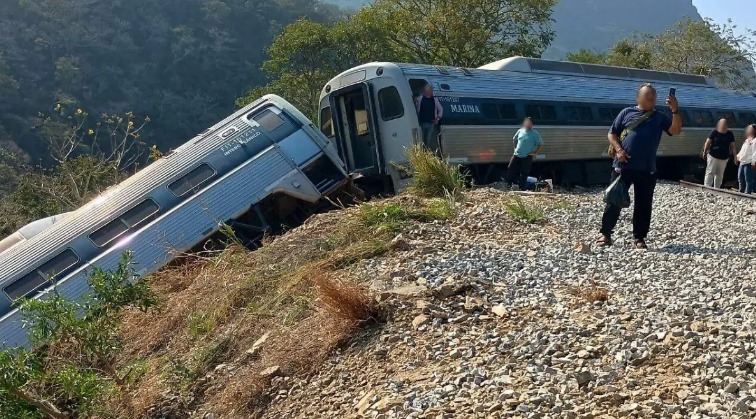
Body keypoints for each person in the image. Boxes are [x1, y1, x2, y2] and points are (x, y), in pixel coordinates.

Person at [598, 83, 682, 249]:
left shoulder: (660, 117)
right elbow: (612, 133)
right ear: (638, 98)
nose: (651, 99)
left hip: (647, 168)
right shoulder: (626, 112)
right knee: (614, 200)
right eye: (647, 96)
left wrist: (675, 110)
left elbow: (676, 130)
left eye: (653, 96)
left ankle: (639, 237)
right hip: (623, 165)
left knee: (644, 204)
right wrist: (619, 150)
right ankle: (605, 234)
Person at [507, 117, 543, 190]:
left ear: (532, 124)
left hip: (527, 156)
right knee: (511, 168)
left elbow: (541, 144)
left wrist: (535, 153)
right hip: (517, 154)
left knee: (524, 172)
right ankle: (511, 184)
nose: (527, 124)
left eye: (529, 122)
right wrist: (515, 148)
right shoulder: (520, 131)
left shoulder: (535, 134)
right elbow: (514, 139)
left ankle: (521, 187)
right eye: (526, 122)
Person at [702, 118, 736, 188]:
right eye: (722, 124)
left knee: (720, 174)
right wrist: (704, 151)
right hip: (713, 156)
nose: (723, 125)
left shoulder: (730, 134)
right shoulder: (714, 132)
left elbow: (732, 146)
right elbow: (707, 143)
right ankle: (707, 187)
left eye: (724, 124)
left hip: (724, 157)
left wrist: (735, 156)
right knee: (710, 172)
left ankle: (717, 188)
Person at [414, 84, 443, 152]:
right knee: (421, 139)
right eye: (425, 90)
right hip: (421, 122)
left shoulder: (435, 100)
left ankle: (426, 152)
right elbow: (415, 101)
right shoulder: (420, 98)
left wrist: (438, 118)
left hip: (431, 123)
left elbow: (440, 109)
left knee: (428, 139)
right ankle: (422, 152)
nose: (426, 92)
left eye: (428, 90)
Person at [736, 124, 756, 194]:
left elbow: (755, 152)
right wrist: (738, 156)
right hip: (742, 162)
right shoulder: (747, 140)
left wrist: (753, 163)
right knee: (740, 177)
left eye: (750, 129)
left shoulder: (755, 140)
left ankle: (747, 193)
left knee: (748, 179)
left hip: (749, 162)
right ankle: (741, 191)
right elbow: (743, 149)